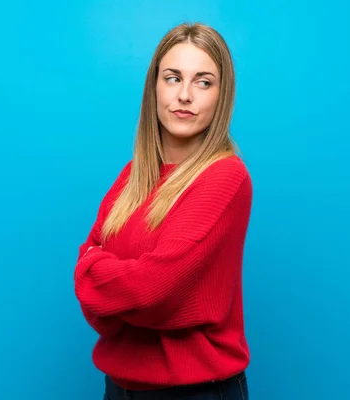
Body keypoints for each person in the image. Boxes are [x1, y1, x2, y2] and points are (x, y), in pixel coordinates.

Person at [73, 22, 252, 400]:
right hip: (119, 388)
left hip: (195, 392)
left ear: (222, 97)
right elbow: (87, 290)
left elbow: (152, 291)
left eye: (203, 82)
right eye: (173, 78)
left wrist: (97, 268)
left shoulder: (225, 177)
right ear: (154, 87)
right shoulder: (134, 174)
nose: (185, 95)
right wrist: (104, 280)